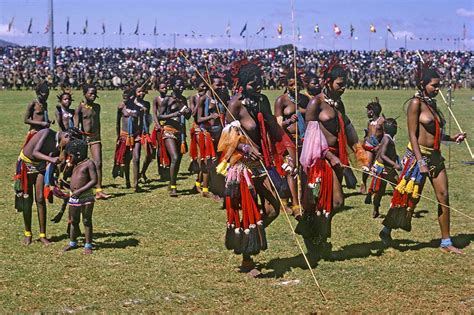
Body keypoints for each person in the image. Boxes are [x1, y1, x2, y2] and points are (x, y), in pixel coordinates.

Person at [217, 59, 295, 275]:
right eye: (252, 84)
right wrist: (244, 147)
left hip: (262, 164)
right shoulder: (235, 105)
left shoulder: (262, 101)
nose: (258, 86)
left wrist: (289, 153)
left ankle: (247, 237)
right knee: (251, 211)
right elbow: (226, 139)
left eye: (259, 82)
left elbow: (274, 129)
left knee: (273, 209)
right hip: (241, 166)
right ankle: (247, 259)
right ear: (243, 84)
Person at [379, 64, 467, 255]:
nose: (437, 89)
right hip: (417, 157)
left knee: (443, 197)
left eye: (438, 85)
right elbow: (412, 134)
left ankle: (446, 241)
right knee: (408, 198)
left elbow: (434, 133)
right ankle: (386, 230)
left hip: (435, 157)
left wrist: (452, 138)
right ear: (422, 84)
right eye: (434, 85)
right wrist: (419, 161)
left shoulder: (432, 104)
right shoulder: (415, 104)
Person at [297, 58, 364, 256]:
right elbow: (309, 139)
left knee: (326, 204)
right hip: (321, 159)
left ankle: (320, 240)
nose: (343, 88)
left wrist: (360, 153)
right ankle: (316, 236)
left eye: (345, 85)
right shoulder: (315, 103)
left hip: (337, 157)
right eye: (340, 84)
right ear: (328, 82)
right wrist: (328, 155)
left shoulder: (338, 104)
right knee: (335, 202)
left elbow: (348, 128)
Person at [13, 128, 81, 245]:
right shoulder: (47, 133)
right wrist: (51, 159)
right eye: (70, 143)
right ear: (66, 136)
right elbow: (35, 152)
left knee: (40, 199)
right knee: (27, 200)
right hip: (26, 165)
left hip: (40, 166)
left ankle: (42, 235)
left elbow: (57, 161)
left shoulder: (62, 144)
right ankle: (28, 233)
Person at [274, 69, 310, 218]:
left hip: (304, 140)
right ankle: (295, 204)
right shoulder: (281, 101)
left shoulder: (305, 99)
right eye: (291, 84)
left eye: (297, 84)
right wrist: (289, 120)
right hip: (288, 140)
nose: (295, 87)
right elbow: (277, 125)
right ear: (286, 85)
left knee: (304, 171)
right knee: (292, 170)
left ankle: (304, 200)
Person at [74, 84, 110, 199]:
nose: (93, 96)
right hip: (83, 138)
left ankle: (99, 190)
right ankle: (76, 187)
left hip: (95, 138)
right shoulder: (80, 108)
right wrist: (78, 141)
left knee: (98, 163)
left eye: (95, 93)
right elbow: (76, 126)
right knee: (79, 165)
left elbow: (97, 123)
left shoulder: (97, 107)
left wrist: (99, 137)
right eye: (90, 93)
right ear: (85, 94)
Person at [157, 76, 191, 197]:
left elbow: (187, 117)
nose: (181, 87)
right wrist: (174, 114)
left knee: (177, 160)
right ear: (173, 86)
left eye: (182, 85)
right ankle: (173, 187)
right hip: (168, 131)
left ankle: (172, 182)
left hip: (180, 132)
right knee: (175, 157)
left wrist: (188, 112)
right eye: (178, 85)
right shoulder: (167, 100)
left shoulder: (183, 99)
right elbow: (160, 116)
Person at [62, 139, 98, 254]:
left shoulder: (89, 163)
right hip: (74, 197)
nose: (70, 157)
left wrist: (81, 191)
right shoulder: (75, 164)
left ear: (78, 154)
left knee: (86, 220)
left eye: (71, 155)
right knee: (73, 220)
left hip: (86, 196)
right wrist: (68, 167)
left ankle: (88, 245)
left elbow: (94, 180)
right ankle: (72, 243)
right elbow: (67, 175)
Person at [196, 75, 228, 198]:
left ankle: (218, 188)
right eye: (218, 85)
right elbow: (199, 119)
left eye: (221, 85)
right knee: (210, 162)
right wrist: (210, 116)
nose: (221, 87)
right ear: (210, 85)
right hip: (207, 134)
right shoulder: (204, 99)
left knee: (220, 161)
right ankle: (209, 189)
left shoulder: (221, 97)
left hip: (220, 133)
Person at [364, 118, 401, 218]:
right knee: (385, 190)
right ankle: (377, 209)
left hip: (388, 169)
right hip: (383, 169)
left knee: (397, 188)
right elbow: (383, 156)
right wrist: (395, 164)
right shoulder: (387, 139)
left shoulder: (387, 138)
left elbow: (385, 151)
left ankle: (398, 208)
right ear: (396, 130)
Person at [113, 87, 144, 191]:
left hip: (135, 136)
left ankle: (136, 184)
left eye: (126, 98)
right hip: (124, 136)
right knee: (126, 160)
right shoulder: (121, 107)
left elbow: (141, 123)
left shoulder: (138, 108)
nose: (124, 100)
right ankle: (127, 181)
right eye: (123, 98)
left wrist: (139, 134)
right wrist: (118, 136)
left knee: (136, 158)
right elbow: (117, 123)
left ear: (132, 97)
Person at [360, 98, 385, 194]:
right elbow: (368, 135)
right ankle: (364, 182)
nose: (367, 112)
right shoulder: (369, 122)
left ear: (372, 112)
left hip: (379, 146)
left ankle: (375, 186)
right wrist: (365, 139)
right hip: (369, 146)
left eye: (368, 110)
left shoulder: (382, 121)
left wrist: (381, 146)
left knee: (378, 167)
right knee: (367, 165)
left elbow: (386, 134)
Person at [188, 77, 208, 193]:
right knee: (201, 157)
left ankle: (201, 181)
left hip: (208, 129)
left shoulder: (208, 98)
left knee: (206, 157)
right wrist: (200, 101)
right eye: (202, 86)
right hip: (198, 129)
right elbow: (193, 113)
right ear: (197, 87)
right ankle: (198, 181)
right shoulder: (193, 98)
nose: (204, 88)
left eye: (205, 86)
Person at [152, 81, 168, 179]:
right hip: (159, 126)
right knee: (160, 149)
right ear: (158, 89)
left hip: (168, 125)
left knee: (168, 148)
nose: (165, 89)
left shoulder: (169, 98)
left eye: (166, 87)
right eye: (162, 88)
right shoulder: (156, 99)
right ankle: (160, 169)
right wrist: (157, 124)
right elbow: (154, 113)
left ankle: (167, 168)